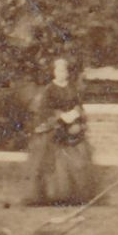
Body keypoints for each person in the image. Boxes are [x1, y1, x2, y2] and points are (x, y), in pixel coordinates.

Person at [24, 55, 98, 206]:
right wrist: (60, 116)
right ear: (54, 72)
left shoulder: (72, 88)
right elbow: (44, 110)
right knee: (55, 163)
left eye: (64, 70)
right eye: (58, 70)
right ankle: (54, 194)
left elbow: (79, 105)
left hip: (72, 128)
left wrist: (76, 115)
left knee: (78, 161)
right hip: (55, 129)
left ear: (68, 72)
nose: (61, 73)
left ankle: (75, 194)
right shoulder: (49, 90)